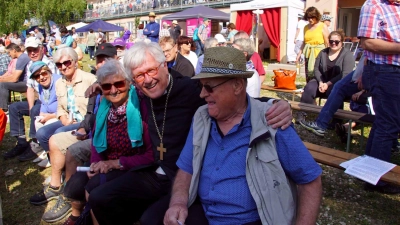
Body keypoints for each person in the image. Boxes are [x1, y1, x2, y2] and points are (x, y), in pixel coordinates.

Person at [86, 42, 292, 225]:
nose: (147, 80)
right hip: (155, 172)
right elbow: (117, 89)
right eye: (140, 76)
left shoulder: (191, 90)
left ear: (164, 65)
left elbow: (235, 99)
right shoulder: (141, 93)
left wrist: (275, 103)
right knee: (99, 198)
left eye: (151, 71)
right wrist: (99, 85)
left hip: (183, 177)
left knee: (151, 218)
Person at [163, 47, 322, 225]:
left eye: (208, 87)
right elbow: (186, 168)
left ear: (238, 85)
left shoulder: (272, 121)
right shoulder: (202, 116)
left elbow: (310, 180)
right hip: (204, 215)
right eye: (201, 86)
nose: (202, 94)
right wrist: (178, 203)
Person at [62, 59, 154, 225]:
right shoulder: (105, 108)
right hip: (108, 164)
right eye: (106, 86)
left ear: (128, 82)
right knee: (75, 184)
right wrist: (95, 164)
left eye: (119, 84)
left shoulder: (140, 105)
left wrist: (115, 163)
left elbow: (150, 155)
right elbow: (97, 143)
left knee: (94, 189)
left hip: (133, 167)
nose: (113, 90)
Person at [38, 44, 119, 223]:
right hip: (84, 128)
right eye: (99, 60)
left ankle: (70, 197)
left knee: (70, 146)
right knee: (50, 136)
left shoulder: (107, 83)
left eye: (66, 63)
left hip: (105, 139)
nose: (63, 67)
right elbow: (90, 114)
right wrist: (73, 122)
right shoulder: (86, 84)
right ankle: (59, 186)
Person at [357, 0, 400, 193]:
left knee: (385, 122)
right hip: (385, 71)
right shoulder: (373, 5)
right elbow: (368, 42)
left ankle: (369, 172)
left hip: (391, 71)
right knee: (389, 124)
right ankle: (378, 179)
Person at [32, 47, 96, 167]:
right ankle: (56, 163)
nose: (63, 67)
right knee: (42, 133)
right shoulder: (59, 83)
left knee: (58, 133)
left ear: (75, 62)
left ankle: (67, 165)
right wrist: (64, 119)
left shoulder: (90, 79)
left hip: (84, 121)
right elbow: (60, 108)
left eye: (66, 62)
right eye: (59, 65)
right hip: (68, 120)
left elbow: (94, 109)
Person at [3, 37, 58, 161]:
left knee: (35, 110)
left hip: (50, 102)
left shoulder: (48, 64)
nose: (32, 53)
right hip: (40, 100)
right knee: (14, 107)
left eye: (35, 50)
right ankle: (21, 141)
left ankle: (35, 144)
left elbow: (54, 90)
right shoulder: (29, 64)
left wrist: (34, 109)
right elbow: (30, 88)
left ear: (42, 49)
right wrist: (30, 106)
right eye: (29, 51)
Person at [297, 30, 355, 122]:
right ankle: (302, 114)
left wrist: (327, 84)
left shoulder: (347, 54)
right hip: (322, 80)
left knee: (335, 90)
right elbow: (316, 69)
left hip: (337, 82)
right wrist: (320, 82)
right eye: (331, 41)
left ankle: (335, 120)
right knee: (309, 88)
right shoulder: (323, 52)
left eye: (336, 42)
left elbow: (345, 74)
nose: (333, 43)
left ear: (342, 42)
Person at [296, 7, 329, 83]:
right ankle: (309, 89)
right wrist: (299, 54)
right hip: (308, 54)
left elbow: (327, 42)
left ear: (316, 16)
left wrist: (327, 56)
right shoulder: (305, 27)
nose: (310, 19)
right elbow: (304, 42)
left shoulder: (323, 26)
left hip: (319, 55)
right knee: (308, 74)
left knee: (317, 74)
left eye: (312, 17)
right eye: (308, 17)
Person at [28, 61, 61, 131]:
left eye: (44, 73)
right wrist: (42, 113)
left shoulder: (59, 82)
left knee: (46, 127)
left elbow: (67, 108)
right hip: (49, 114)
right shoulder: (41, 86)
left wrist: (52, 116)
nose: (41, 77)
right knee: (37, 123)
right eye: (37, 76)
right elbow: (43, 103)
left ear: (49, 72)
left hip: (61, 116)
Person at [0, 43, 30, 112]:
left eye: (9, 52)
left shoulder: (22, 58)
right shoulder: (21, 57)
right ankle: (6, 105)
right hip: (23, 82)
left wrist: (1, 80)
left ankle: (3, 109)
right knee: (3, 84)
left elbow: (14, 79)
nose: (8, 55)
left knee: (2, 85)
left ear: (14, 50)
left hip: (26, 83)